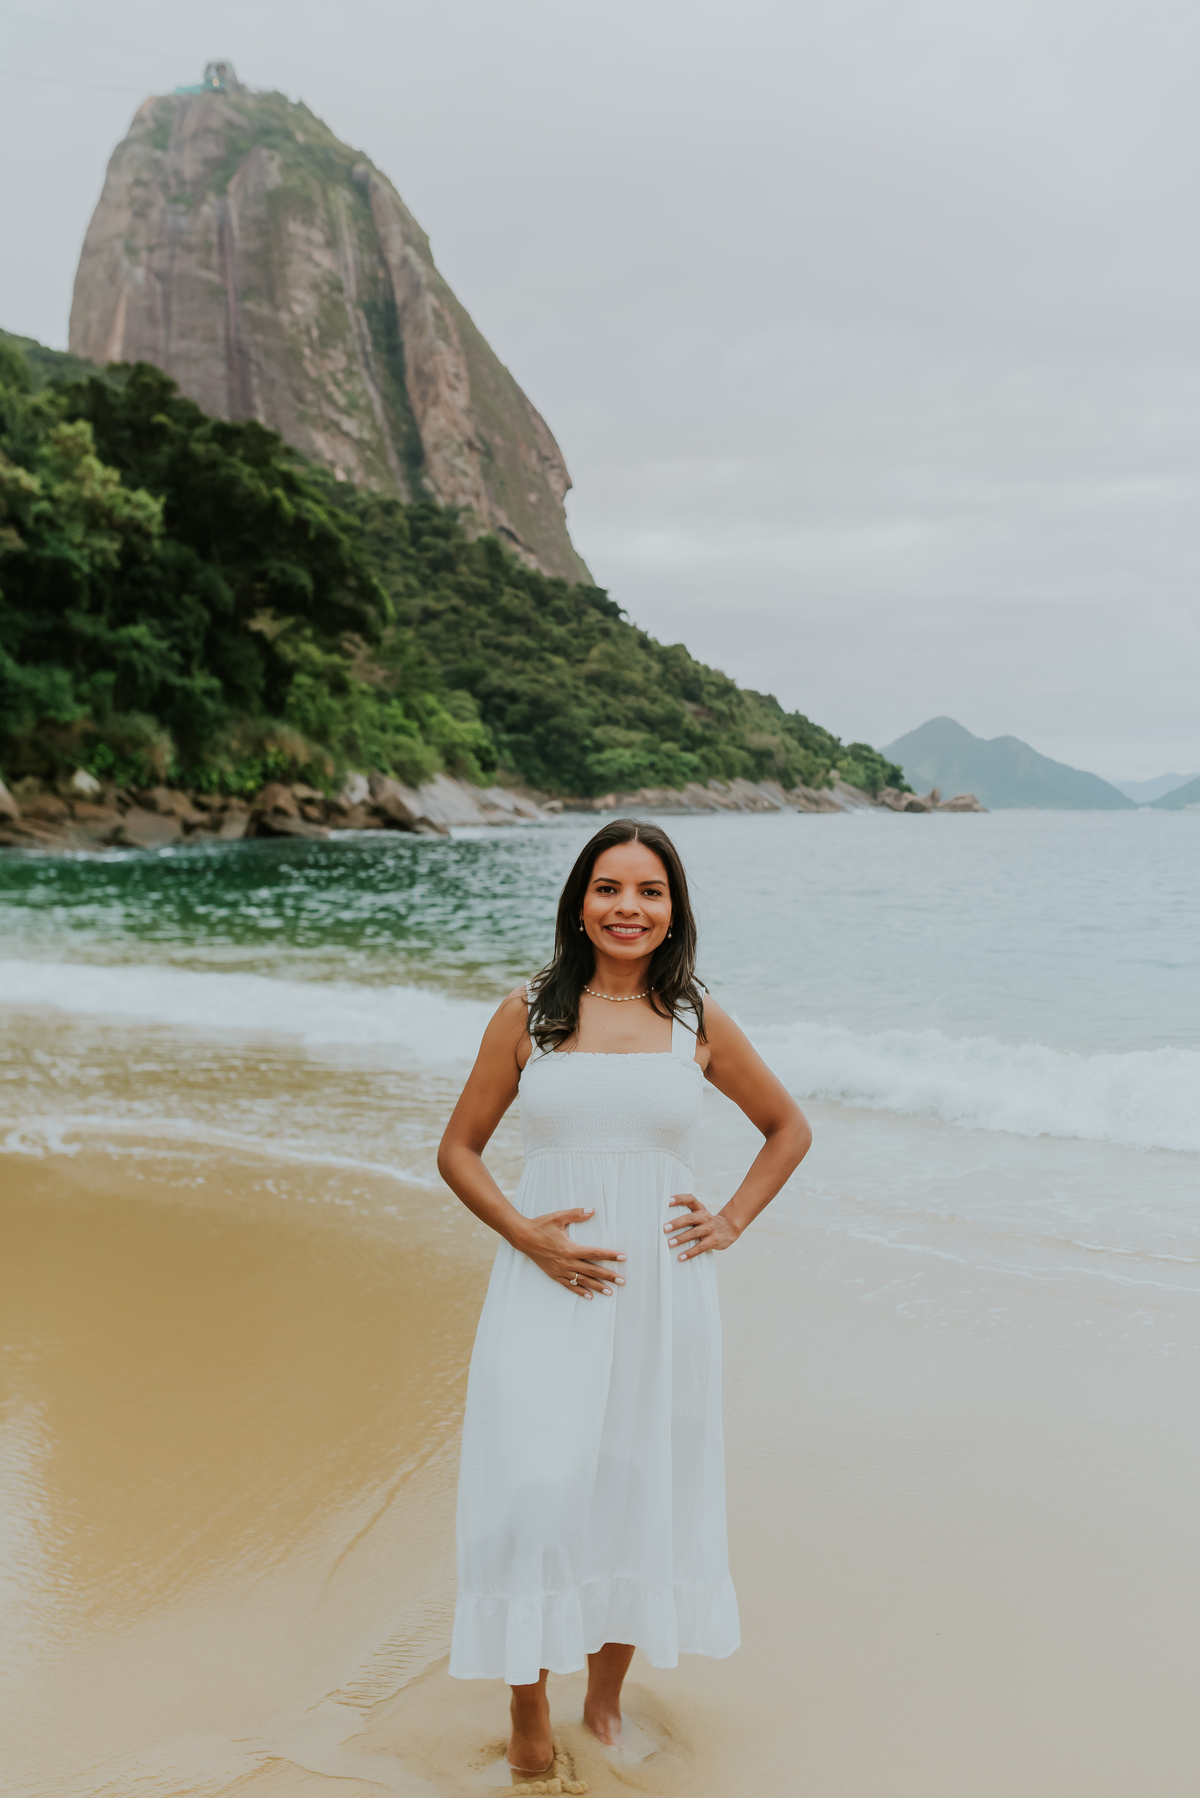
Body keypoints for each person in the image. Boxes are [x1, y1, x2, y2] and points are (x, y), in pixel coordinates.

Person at [437, 818, 811, 1778]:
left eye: (650, 891)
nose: (628, 908)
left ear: (673, 909)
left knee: (637, 1488)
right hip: (544, 1286)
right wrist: (526, 1234)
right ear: (579, 903)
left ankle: (602, 1702)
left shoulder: (696, 1019)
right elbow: (458, 1150)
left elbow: (787, 1128)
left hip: (661, 1293)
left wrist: (729, 1221)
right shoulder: (528, 1013)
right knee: (533, 1489)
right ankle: (528, 1705)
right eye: (609, 888)